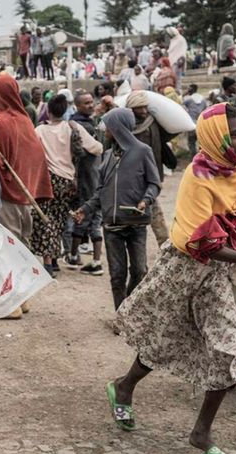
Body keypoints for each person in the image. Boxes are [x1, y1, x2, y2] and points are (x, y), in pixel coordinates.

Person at [109, 103, 236, 454]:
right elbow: (202, 242)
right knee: (163, 339)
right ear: (216, 137)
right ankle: (125, 386)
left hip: (216, 274)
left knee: (230, 351)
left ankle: (202, 433)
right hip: (184, 268)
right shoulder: (199, 177)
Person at [74, 108, 160, 309]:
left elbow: (154, 183)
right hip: (112, 225)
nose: (105, 131)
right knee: (117, 274)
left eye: (109, 127)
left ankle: (129, 306)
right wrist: (85, 209)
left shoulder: (143, 152)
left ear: (119, 128)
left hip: (136, 223)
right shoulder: (107, 156)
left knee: (140, 270)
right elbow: (100, 191)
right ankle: (122, 315)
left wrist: (145, 201)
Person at [0, 74, 52, 311]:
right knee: (21, 248)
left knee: (6, 250)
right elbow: (37, 158)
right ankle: (22, 299)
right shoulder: (26, 121)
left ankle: (12, 304)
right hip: (27, 196)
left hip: (8, 196)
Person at [33, 93, 103, 273]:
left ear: (48, 111)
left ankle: (49, 262)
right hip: (68, 182)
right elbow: (96, 148)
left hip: (46, 180)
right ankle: (55, 258)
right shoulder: (72, 128)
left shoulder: (39, 130)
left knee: (46, 220)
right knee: (59, 219)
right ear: (65, 110)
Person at [124, 92, 176, 245]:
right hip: (131, 177)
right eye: (139, 108)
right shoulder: (125, 127)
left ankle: (163, 242)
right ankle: (162, 242)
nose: (144, 111)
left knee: (152, 207)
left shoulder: (152, 123)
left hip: (150, 174)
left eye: (145, 107)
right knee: (147, 210)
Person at [64, 91, 105, 272]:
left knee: (87, 215)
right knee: (86, 215)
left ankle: (78, 257)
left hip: (93, 177)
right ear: (78, 106)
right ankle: (83, 257)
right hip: (86, 177)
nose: (90, 105)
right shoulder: (80, 127)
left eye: (91, 102)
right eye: (86, 103)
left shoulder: (85, 124)